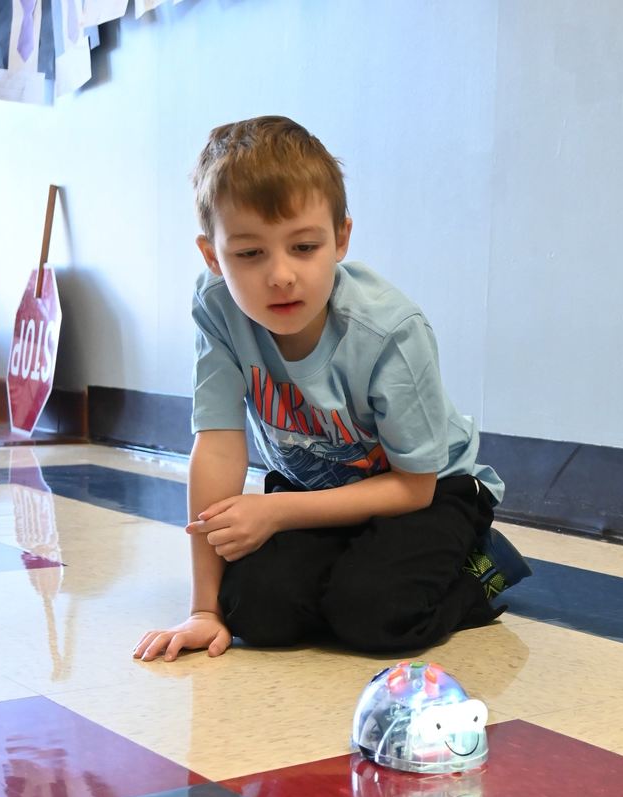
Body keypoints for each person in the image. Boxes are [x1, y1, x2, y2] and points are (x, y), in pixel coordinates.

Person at [133, 116, 529, 663]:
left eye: (303, 247)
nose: (280, 276)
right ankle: (354, 569)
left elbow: (415, 487)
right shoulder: (217, 309)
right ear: (212, 257)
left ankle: (481, 568)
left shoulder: (388, 330)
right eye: (249, 254)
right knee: (254, 609)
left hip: (431, 492)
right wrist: (205, 609)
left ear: (340, 238)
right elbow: (219, 445)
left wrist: (276, 515)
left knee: (377, 616)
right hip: (315, 493)